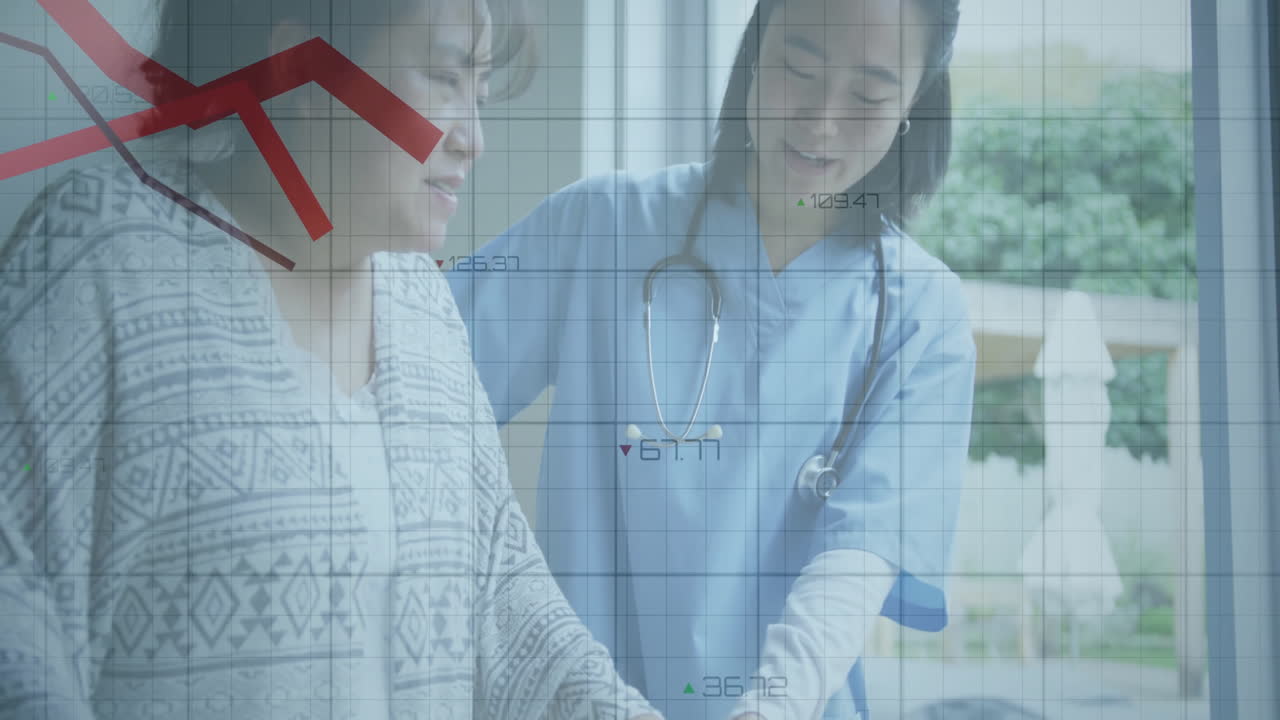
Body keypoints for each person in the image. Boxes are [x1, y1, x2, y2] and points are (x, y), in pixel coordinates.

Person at [0, 1, 662, 718]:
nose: (474, 140)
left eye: (481, 93)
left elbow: (511, 607)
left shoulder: (424, 311)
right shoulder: (106, 262)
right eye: (444, 79)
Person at [447, 1, 974, 718]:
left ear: (915, 103)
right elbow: (408, 369)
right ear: (757, 49)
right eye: (799, 68)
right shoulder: (600, 229)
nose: (821, 119)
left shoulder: (920, 311)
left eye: (868, 97)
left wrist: (769, 709)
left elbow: (860, 553)